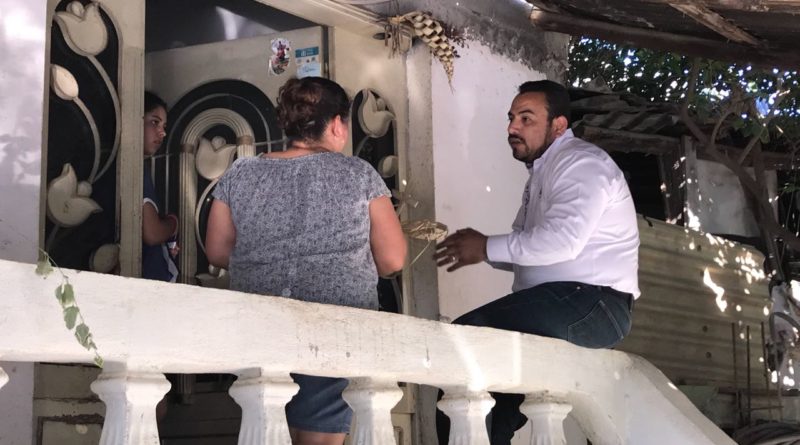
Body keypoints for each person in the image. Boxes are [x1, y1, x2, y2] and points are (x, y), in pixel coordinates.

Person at [433, 80, 640, 444]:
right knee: (492, 399)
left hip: (594, 303)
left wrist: (485, 248)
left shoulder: (581, 163)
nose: (512, 127)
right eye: (511, 118)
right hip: (564, 302)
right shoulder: (544, 171)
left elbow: (561, 242)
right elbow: (529, 250)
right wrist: (480, 249)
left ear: (558, 125)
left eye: (526, 118)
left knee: (468, 337)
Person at [205, 76, 406, 445]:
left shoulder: (241, 173)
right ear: (337, 124)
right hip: (333, 327)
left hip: (259, 326)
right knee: (318, 438)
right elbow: (393, 259)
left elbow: (217, 251)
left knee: (264, 431)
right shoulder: (359, 174)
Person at [142, 91, 179, 282]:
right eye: (154, 122)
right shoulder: (135, 169)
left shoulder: (141, 167)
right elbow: (152, 233)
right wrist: (173, 224)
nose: (162, 133)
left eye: (164, 126)